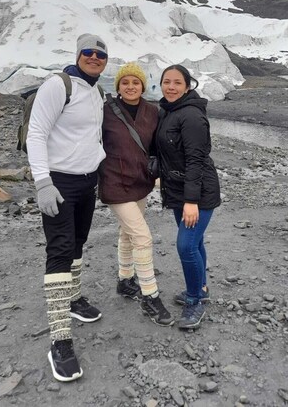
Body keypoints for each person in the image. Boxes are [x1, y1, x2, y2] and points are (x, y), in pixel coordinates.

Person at [27, 33, 108, 382]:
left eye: (100, 54)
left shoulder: (97, 92)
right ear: (77, 55)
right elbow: (36, 133)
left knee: (77, 244)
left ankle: (73, 299)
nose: (94, 57)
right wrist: (42, 182)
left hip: (87, 182)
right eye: (88, 52)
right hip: (59, 183)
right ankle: (60, 340)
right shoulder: (58, 85)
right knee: (59, 251)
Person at [98, 62, 174, 327]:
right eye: (125, 82)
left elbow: (159, 144)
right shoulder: (104, 111)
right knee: (142, 237)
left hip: (141, 181)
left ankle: (124, 279)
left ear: (143, 85)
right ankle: (149, 295)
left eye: (135, 82)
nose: (130, 87)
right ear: (118, 86)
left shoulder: (152, 111)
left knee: (127, 233)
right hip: (114, 183)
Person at [156, 64, 221, 330]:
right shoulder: (168, 112)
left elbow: (196, 159)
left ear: (187, 86)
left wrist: (191, 201)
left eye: (177, 83)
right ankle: (201, 288)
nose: (170, 87)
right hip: (178, 190)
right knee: (195, 242)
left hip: (198, 192)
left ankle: (195, 301)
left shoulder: (191, 116)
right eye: (166, 82)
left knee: (186, 245)